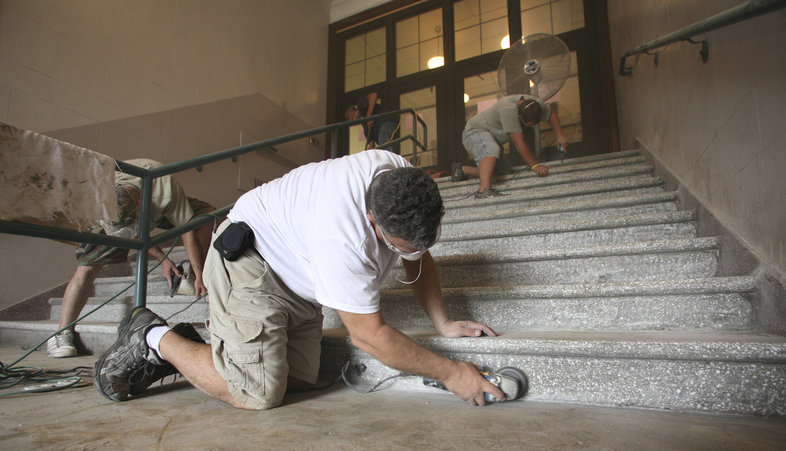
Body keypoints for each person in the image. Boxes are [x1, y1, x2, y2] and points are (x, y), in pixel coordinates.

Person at [92, 150, 505, 409]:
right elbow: (369, 337)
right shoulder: (341, 235)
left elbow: (419, 255)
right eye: (396, 247)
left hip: (296, 274)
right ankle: (153, 336)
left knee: (302, 379)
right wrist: (452, 373)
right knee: (258, 393)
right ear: (371, 219)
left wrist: (443, 323)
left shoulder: (399, 176)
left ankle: (220, 351)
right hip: (249, 265)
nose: (408, 256)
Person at [47, 159, 216, 358]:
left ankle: (189, 275)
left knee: (207, 214)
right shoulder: (97, 188)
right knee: (87, 269)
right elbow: (131, 234)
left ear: (138, 204)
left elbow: (187, 229)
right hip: (110, 216)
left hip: (153, 203)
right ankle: (62, 333)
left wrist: (198, 273)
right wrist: (162, 259)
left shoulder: (164, 186)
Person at [452, 94, 568, 199]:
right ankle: (483, 191)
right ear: (519, 116)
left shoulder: (536, 105)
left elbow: (551, 114)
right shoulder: (508, 109)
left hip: (492, 138)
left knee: (503, 173)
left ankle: (462, 170)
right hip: (474, 132)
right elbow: (518, 142)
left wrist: (560, 136)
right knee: (491, 150)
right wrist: (535, 166)